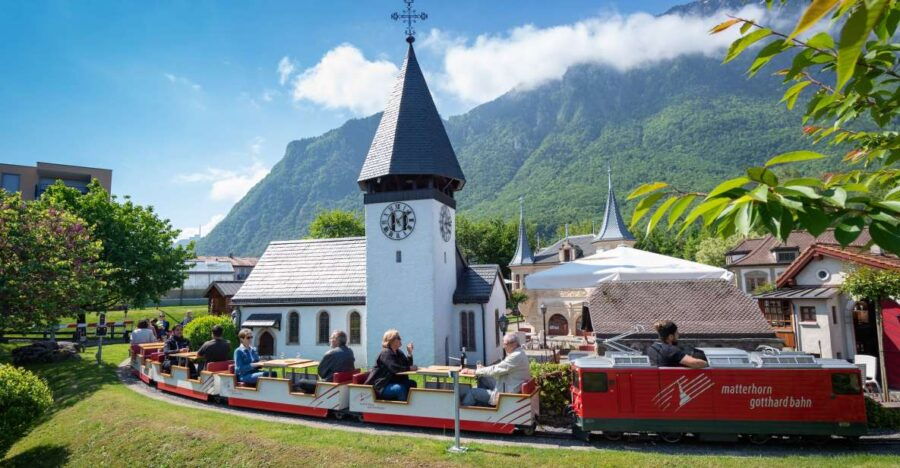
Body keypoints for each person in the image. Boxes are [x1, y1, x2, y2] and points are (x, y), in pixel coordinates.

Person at [460, 332, 531, 407]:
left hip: (507, 393)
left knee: (472, 392)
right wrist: (483, 369)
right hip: (510, 386)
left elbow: (496, 369)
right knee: (482, 377)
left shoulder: (515, 356)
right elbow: (499, 369)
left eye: (505, 344)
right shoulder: (519, 352)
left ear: (514, 344)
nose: (503, 347)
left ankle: (461, 413)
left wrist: (472, 371)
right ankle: (483, 403)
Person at [364, 329, 417, 401]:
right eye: (398, 338)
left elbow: (407, 365)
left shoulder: (398, 352)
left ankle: (412, 406)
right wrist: (410, 368)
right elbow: (394, 368)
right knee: (399, 389)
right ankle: (402, 410)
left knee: (412, 383)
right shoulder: (385, 353)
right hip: (383, 385)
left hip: (394, 381)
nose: (400, 339)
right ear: (391, 340)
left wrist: (409, 353)